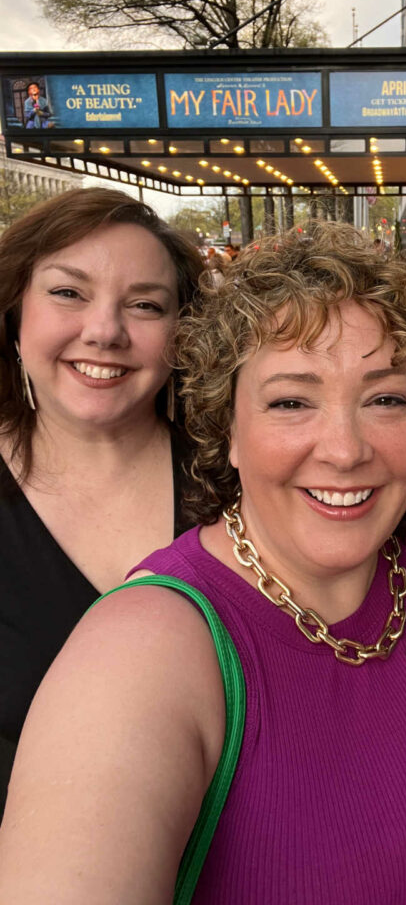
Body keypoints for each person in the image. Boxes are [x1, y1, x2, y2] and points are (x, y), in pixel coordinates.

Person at [0, 226, 406, 904]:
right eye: (291, 402)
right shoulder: (140, 655)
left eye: (385, 399)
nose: (345, 450)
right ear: (228, 430)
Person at [0, 187, 204, 813]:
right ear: (15, 312)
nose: (105, 331)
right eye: (68, 293)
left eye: (145, 304)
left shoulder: (234, 479)